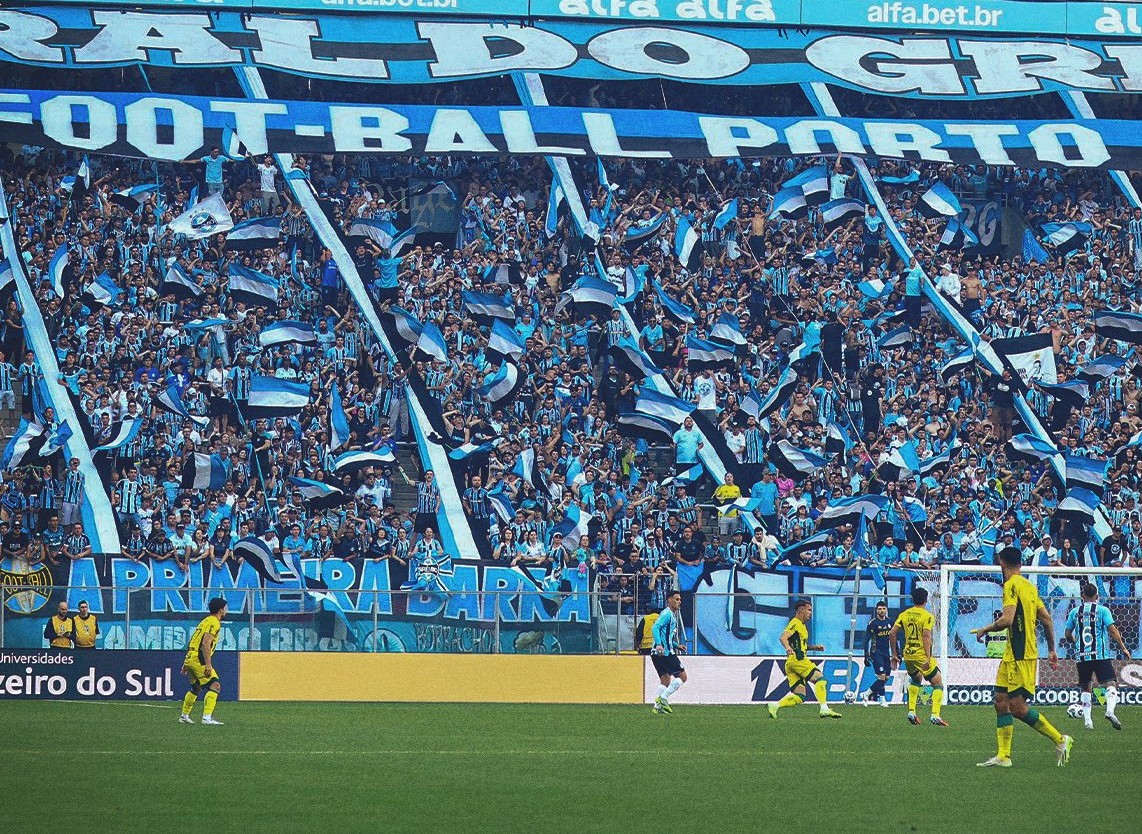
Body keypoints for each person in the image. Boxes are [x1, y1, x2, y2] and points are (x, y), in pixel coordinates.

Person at [972, 547, 1071, 767]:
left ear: (1001, 562)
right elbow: (1046, 619)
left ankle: (1060, 739)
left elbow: (1007, 620)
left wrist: (985, 629)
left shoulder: (1011, 585)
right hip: (1011, 655)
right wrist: (1052, 649)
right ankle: (1003, 756)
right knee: (1000, 702)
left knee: (1017, 708)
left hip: (1021, 654)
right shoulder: (1029, 586)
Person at [1064, 583, 1129, 730]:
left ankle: (1088, 722)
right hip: (1100, 655)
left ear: (1082, 597)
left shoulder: (1075, 612)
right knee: (1110, 684)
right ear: (1097, 597)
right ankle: (1109, 711)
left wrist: (1076, 642)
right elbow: (1112, 630)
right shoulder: (1102, 610)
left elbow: (1067, 634)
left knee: (1086, 687)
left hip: (1082, 656)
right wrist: (1123, 647)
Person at [768, 598, 842, 719]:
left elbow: (800, 645)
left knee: (800, 696)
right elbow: (783, 637)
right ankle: (824, 708)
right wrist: (787, 647)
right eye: (809, 610)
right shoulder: (795, 622)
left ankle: (775, 705)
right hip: (798, 660)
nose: (810, 613)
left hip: (791, 663)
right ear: (801, 610)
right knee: (820, 679)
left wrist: (814, 648)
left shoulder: (801, 626)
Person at [890, 587, 948, 726]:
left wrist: (894, 654)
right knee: (938, 684)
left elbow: (892, 633)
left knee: (916, 679)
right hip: (921, 655)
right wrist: (928, 658)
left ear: (913, 599)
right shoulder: (927, 616)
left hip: (908, 654)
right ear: (926, 600)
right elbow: (926, 635)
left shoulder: (904, 614)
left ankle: (911, 711)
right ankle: (935, 714)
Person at [180, 597, 229, 725]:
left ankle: (184, 716)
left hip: (191, 657)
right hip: (199, 659)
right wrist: (208, 665)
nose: (226, 611)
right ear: (220, 610)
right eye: (225, 608)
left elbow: (193, 640)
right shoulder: (214, 623)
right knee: (215, 685)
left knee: (196, 688)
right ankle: (207, 718)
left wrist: (186, 662)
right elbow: (205, 643)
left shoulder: (205, 621)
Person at [650, 590, 687, 714]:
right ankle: (663, 699)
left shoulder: (670, 615)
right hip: (664, 652)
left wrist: (677, 646)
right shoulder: (667, 614)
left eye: (680, 599)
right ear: (669, 600)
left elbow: (668, 637)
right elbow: (655, 627)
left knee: (665, 680)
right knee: (682, 676)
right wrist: (660, 644)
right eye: (676, 599)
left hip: (656, 653)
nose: (679, 602)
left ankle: (657, 707)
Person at [860, 601, 893, 707]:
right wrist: (866, 656)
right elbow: (866, 640)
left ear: (886, 610)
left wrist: (897, 654)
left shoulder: (890, 622)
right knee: (882, 676)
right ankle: (883, 700)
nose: (882, 611)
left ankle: (867, 693)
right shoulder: (873, 623)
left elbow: (893, 638)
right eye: (879, 609)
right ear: (876, 610)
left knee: (886, 677)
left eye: (883, 608)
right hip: (876, 652)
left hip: (886, 653)